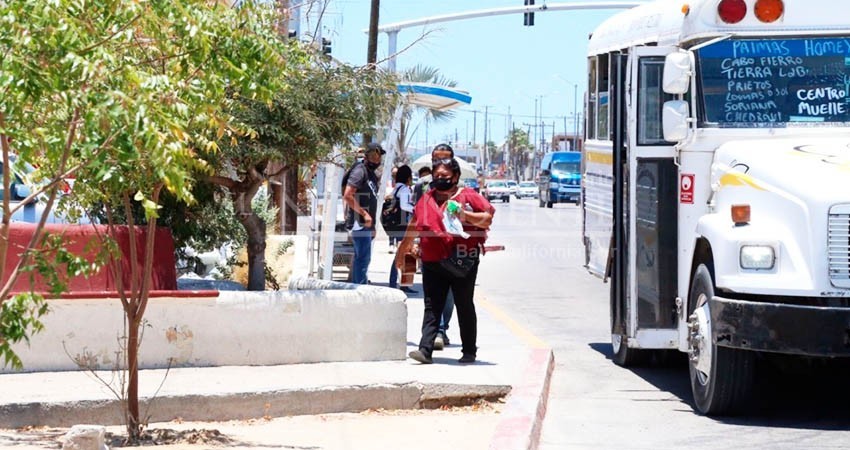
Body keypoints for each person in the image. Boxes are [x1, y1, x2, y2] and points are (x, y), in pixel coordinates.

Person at [396, 157, 495, 364]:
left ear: (456, 177)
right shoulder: (427, 199)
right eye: (437, 176)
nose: (440, 180)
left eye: (445, 176)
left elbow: (487, 218)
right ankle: (425, 350)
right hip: (432, 261)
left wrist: (464, 214)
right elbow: (414, 224)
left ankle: (469, 351)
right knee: (432, 305)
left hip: (462, 261)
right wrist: (402, 250)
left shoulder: (468, 196)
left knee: (463, 304)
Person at [342, 142, 385, 285]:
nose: (376, 160)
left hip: (365, 225)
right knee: (362, 258)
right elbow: (348, 195)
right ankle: (359, 289)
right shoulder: (360, 171)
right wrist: (364, 214)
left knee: (363, 258)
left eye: (378, 157)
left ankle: (359, 285)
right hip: (358, 222)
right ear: (366, 156)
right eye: (373, 156)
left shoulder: (370, 173)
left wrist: (371, 226)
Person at [388, 165, 415, 292]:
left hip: (397, 224)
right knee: (405, 254)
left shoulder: (396, 188)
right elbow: (404, 205)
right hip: (403, 225)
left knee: (402, 254)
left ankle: (396, 283)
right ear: (408, 177)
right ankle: (402, 284)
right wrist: (416, 209)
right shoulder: (404, 189)